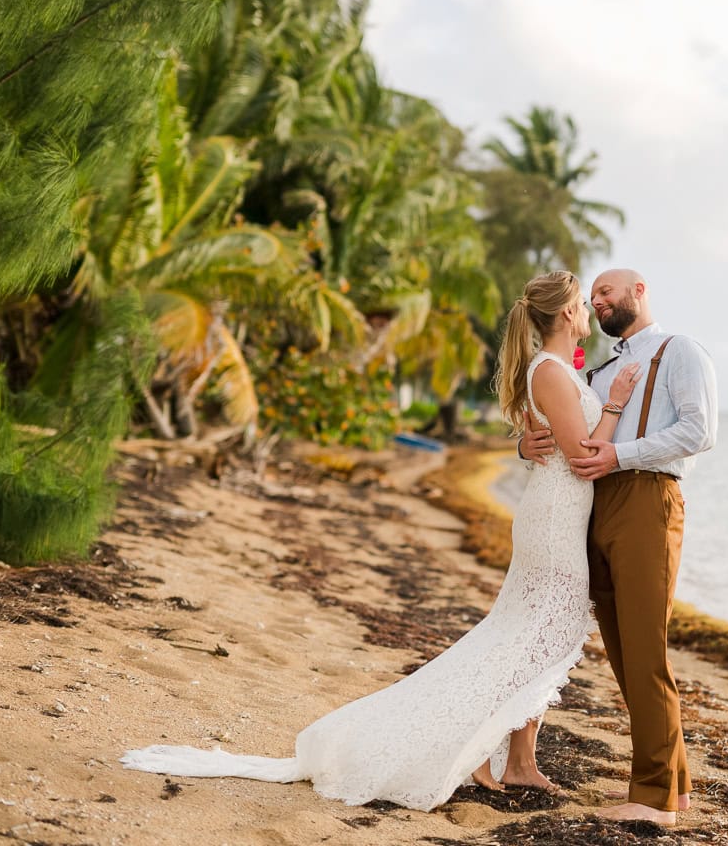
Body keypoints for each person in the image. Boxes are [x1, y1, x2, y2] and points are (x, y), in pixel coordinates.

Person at [119, 270, 643, 811]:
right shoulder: (552, 371)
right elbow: (584, 459)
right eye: (583, 302)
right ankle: (509, 759)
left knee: (534, 639)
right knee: (535, 638)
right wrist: (615, 405)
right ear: (565, 314)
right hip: (554, 521)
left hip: (555, 516)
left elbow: (557, 444)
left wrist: (535, 443)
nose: (588, 311)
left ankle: (516, 760)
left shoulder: (558, 370)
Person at [516, 267, 718, 827]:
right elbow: (573, 436)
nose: (600, 300)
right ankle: (674, 788)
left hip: (647, 498)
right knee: (625, 654)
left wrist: (621, 457)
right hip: (593, 505)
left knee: (647, 651)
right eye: (593, 295)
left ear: (640, 292)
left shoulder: (680, 351)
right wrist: (525, 445)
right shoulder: (600, 370)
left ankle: (653, 799)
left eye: (609, 290)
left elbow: (700, 432)